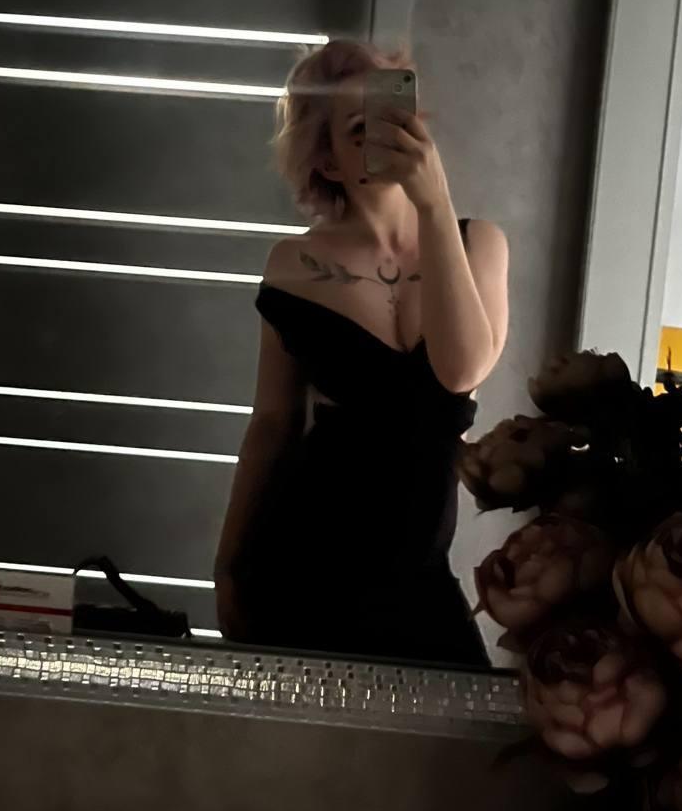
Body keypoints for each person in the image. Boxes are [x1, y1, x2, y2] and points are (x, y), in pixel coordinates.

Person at [214, 40, 509, 664]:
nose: (389, 136)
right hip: (302, 567)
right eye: (360, 128)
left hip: (419, 579)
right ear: (327, 160)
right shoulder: (294, 263)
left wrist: (434, 203)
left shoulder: (478, 243)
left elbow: (461, 370)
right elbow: (273, 424)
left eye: (396, 115)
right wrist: (227, 566)